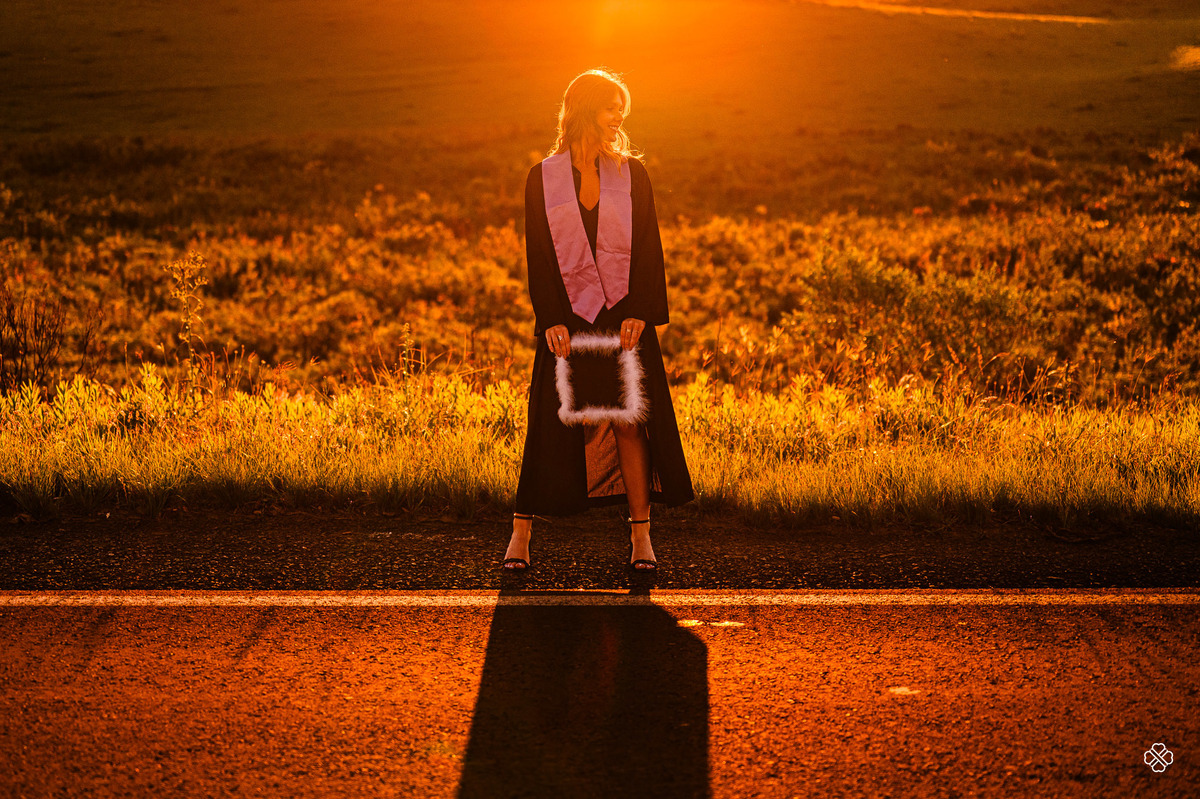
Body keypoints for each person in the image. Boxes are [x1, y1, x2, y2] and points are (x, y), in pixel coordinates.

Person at [500, 68, 694, 573]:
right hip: (568, 317)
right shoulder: (542, 177)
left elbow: (649, 247)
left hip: (621, 315)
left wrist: (640, 312)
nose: (618, 122)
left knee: (630, 423)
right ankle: (520, 535)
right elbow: (539, 254)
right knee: (547, 422)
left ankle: (641, 542)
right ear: (586, 109)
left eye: (621, 114)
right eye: (611, 110)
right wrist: (550, 319)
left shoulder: (633, 175)